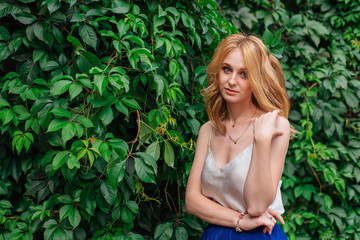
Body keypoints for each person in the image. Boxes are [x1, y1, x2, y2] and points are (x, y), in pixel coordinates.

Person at [185, 33, 292, 239]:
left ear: (257, 79)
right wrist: (239, 220)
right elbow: (192, 201)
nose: (232, 81)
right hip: (216, 234)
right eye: (227, 69)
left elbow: (257, 205)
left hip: (260, 234)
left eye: (244, 74)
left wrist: (260, 141)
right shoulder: (208, 129)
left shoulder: (276, 126)